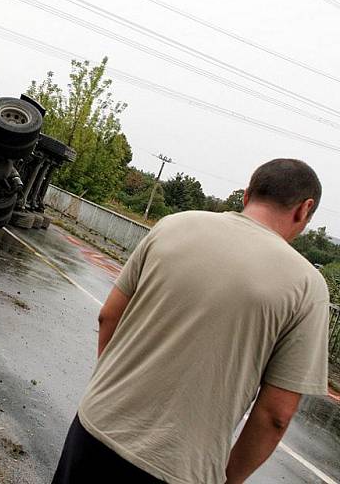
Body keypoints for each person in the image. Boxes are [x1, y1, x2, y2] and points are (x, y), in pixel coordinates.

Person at [52, 158, 329, 484]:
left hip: (94, 431)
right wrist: (230, 479)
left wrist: (109, 393)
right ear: (304, 209)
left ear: (246, 194)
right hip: (181, 471)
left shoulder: (173, 226)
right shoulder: (307, 287)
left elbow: (108, 315)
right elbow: (275, 415)